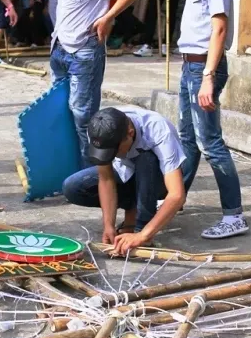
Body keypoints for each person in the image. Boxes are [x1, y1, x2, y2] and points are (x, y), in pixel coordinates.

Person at [160, 0, 246, 239]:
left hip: (203, 68)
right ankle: (175, 199)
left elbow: (219, 28)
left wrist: (208, 77)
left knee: (210, 142)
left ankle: (234, 215)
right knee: (187, 139)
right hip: (191, 66)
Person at [36, 0, 143, 163]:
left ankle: (93, 172)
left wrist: (108, 17)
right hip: (59, 46)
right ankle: (70, 165)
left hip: (84, 49)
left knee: (83, 115)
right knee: (61, 110)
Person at [63, 107, 186, 254]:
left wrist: (142, 235)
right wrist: (108, 225)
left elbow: (177, 195)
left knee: (146, 158)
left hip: (158, 180)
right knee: (73, 187)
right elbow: (106, 179)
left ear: (130, 133)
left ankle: (142, 226)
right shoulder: (99, 129)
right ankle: (132, 211)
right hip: (125, 173)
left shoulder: (158, 130)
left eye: (115, 151)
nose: (113, 155)